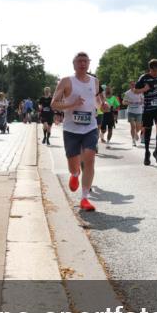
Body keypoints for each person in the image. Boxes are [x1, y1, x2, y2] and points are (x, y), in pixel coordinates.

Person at [52, 53, 105, 211]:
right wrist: (71, 105)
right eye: (79, 61)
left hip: (90, 126)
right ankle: (74, 175)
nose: (82, 64)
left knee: (90, 158)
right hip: (71, 129)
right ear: (73, 64)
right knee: (73, 164)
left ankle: (84, 198)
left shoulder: (94, 81)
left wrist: (104, 106)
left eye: (85, 61)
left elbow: (97, 101)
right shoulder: (66, 81)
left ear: (89, 63)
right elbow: (54, 103)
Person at [135, 59, 157, 166]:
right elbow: (135, 90)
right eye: (154, 71)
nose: (156, 73)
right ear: (150, 69)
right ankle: (147, 152)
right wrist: (144, 89)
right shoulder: (144, 78)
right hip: (148, 109)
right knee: (147, 130)